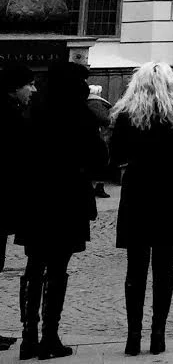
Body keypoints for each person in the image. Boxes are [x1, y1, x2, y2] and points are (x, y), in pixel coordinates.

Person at [12, 61, 107, 360]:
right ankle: (49, 336)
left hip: (35, 201)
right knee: (56, 270)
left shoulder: (32, 112)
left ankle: (29, 335)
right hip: (68, 201)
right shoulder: (80, 115)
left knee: (34, 266)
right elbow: (99, 160)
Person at [110, 63, 173, 356]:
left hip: (138, 191)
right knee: (164, 267)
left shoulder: (128, 114)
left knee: (135, 269)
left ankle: (133, 336)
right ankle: (158, 335)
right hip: (170, 192)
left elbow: (116, 155)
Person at [0, 65, 36, 346]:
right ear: (15, 88)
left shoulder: (13, 112)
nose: (33, 90)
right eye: (29, 84)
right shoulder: (10, 115)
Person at [86, 85, 113, 199]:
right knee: (101, 160)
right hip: (97, 136)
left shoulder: (85, 102)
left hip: (89, 135)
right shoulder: (96, 103)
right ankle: (99, 187)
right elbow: (104, 120)